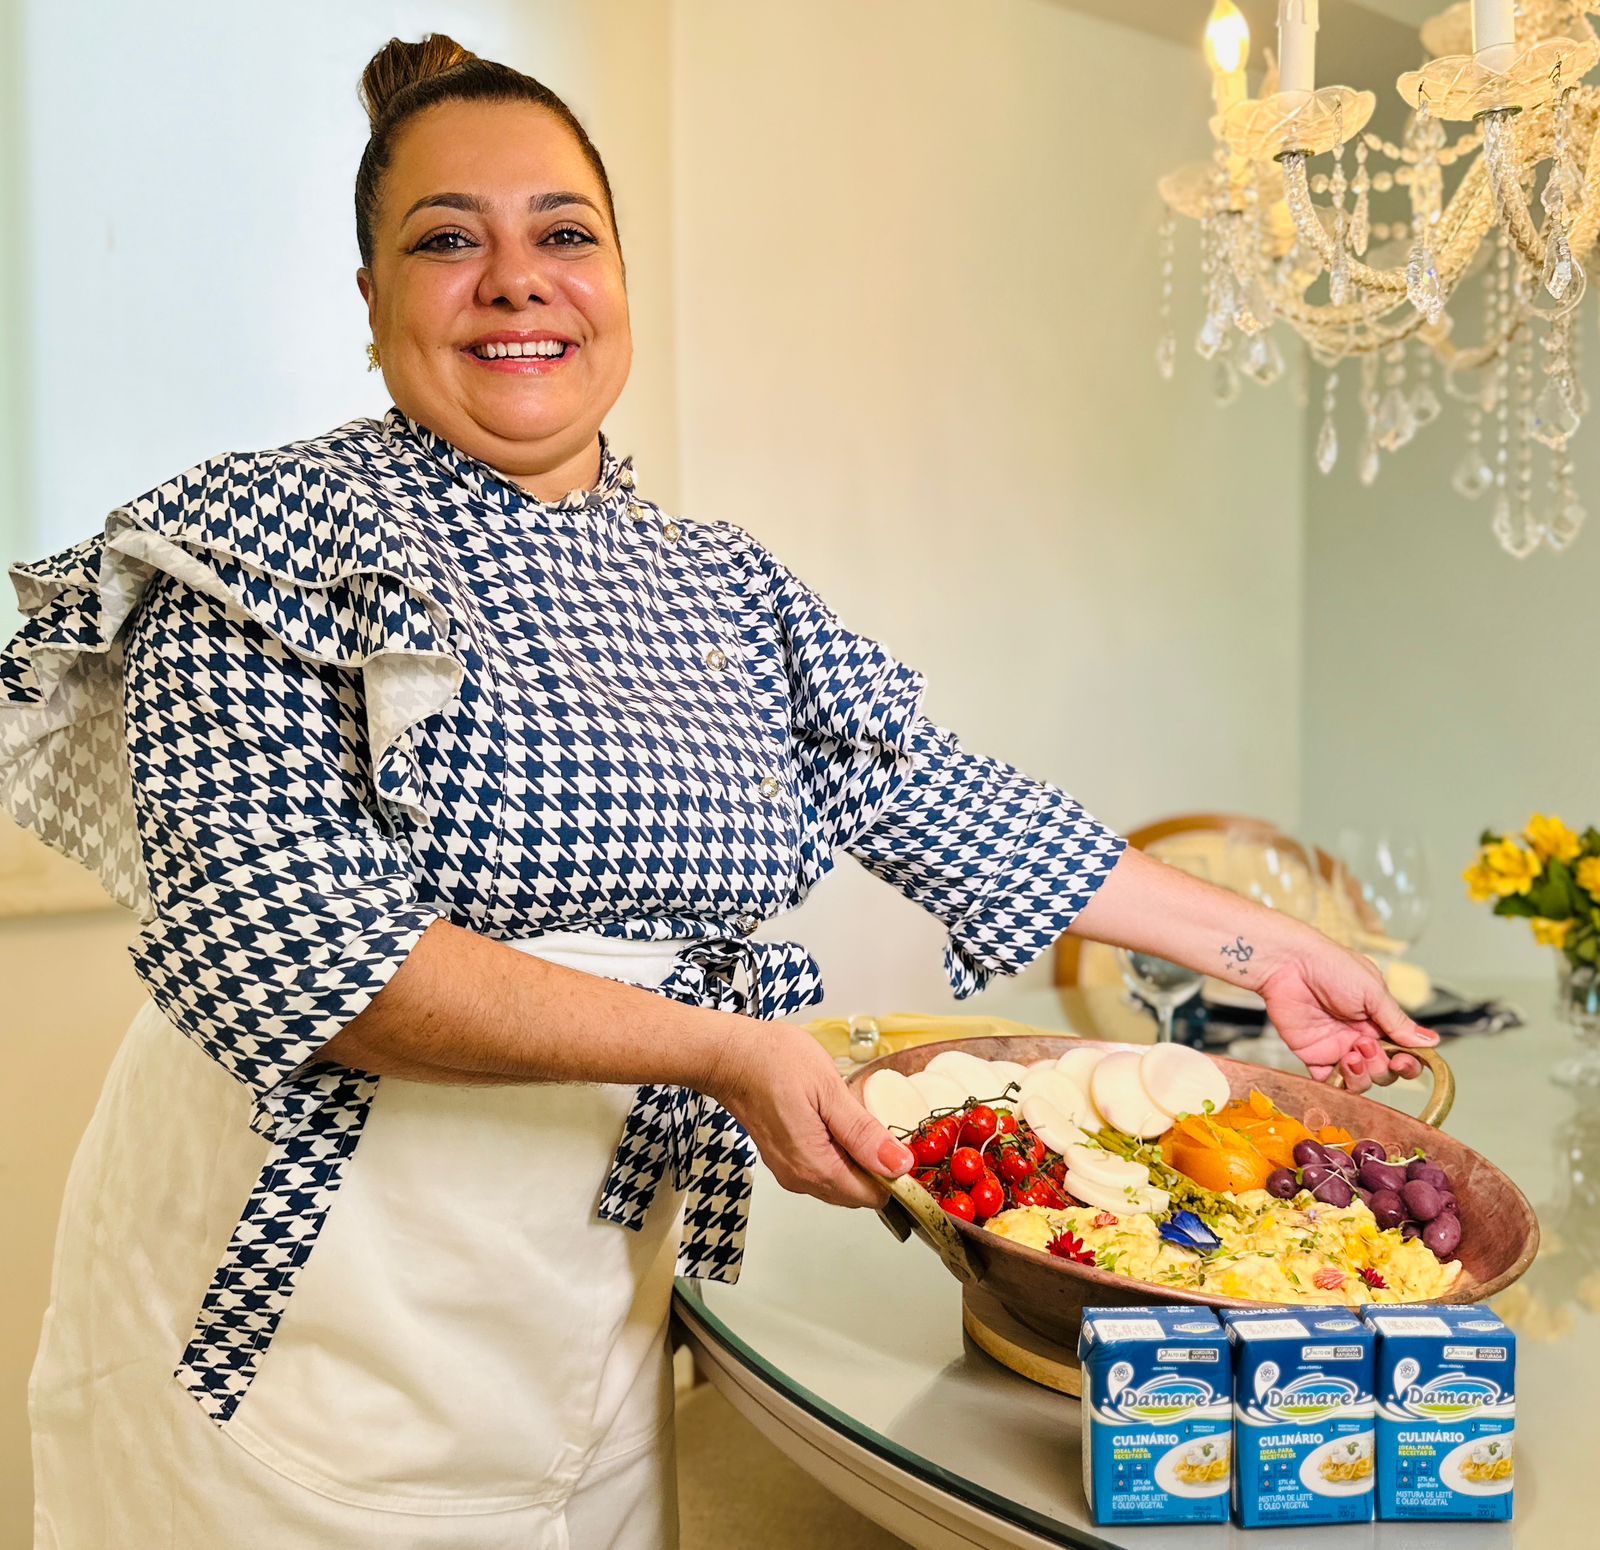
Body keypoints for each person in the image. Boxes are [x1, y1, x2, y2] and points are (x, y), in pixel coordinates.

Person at [3, 34, 1434, 1550]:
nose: (517, 281)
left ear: (621, 279)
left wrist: (1271, 949)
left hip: (589, 1321)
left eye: (565, 233)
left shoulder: (720, 586)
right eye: (446, 241)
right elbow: (315, 963)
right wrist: (727, 1051)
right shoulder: (255, 540)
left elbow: (945, 798)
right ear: (370, 301)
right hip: (303, 1329)